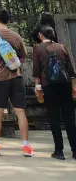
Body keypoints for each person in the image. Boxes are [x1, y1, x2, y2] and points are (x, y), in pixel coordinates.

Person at [0, 8, 33, 157]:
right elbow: (23, 57)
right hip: (16, 77)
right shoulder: (16, 36)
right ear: (8, 20)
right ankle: (26, 147)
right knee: (20, 111)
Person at [32, 25, 76, 160]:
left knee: (54, 118)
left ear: (41, 35)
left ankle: (59, 151)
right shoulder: (61, 47)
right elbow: (71, 70)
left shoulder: (38, 48)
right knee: (70, 118)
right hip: (65, 85)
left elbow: (36, 71)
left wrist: (37, 88)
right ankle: (75, 151)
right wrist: (74, 86)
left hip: (48, 86)